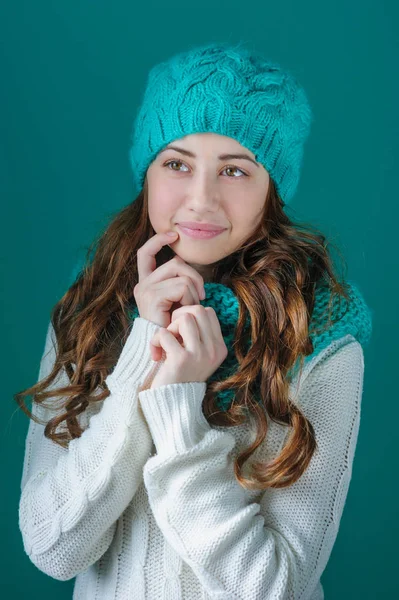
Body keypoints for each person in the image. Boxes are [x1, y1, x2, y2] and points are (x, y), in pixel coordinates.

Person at [15, 41, 373, 599]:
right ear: (148, 174)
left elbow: (274, 589)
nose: (201, 200)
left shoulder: (321, 338)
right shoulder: (88, 313)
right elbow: (54, 547)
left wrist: (179, 412)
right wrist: (143, 351)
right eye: (177, 164)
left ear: (271, 190)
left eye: (234, 170)